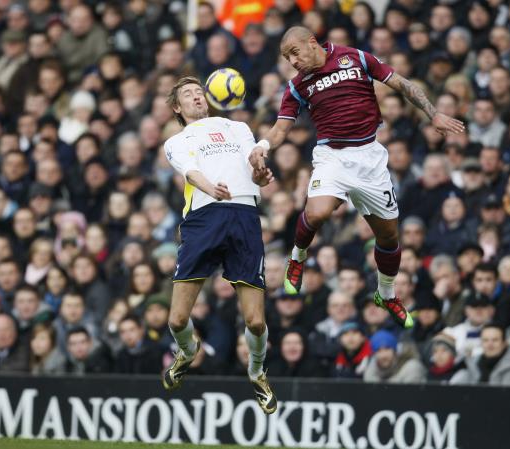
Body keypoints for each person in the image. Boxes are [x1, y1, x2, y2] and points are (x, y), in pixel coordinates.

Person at [248, 26, 464, 329]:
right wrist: (262, 146)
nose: (292, 62)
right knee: (318, 211)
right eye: (287, 58)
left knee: (389, 237)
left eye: (294, 53)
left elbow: (401, 84)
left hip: (370, 158)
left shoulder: (356, 58)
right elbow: (281, 128)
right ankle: (297, 259)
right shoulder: (297, 86)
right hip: (332, 157)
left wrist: (434, 114)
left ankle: (386, 294)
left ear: (312, 43)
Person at [162, 76, 277, 414]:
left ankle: (256, 372)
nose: (196, 97)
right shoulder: (177, 140)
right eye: (188, 94)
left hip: (244, 215)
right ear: (177, 108)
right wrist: (211, 188)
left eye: (199, 92)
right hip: (204, 219)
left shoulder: (238, 128)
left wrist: (260, 174)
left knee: (256, 322)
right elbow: (190, 172)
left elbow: (253, 166)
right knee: (177, 320)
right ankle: (186, 352)